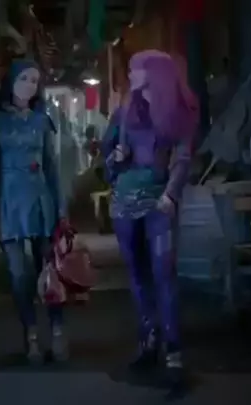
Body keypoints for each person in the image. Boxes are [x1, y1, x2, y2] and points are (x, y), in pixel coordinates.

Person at [101, 50, 199, 386]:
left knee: (164, 272)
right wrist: (116, 159)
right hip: (125, 201)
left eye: (135, 69)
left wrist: (171, 193)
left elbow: (183, 158)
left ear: (154, 74)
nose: (130, 74)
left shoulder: (178, 112)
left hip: (159, 201)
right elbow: (107, 157)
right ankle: (149, 339)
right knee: (138, 274)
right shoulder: (124, 111)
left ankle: (173, 347)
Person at [0, 59, 67, 364]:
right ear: (11, 82)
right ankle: (30, 334)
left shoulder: (42, 120)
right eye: (25, 79)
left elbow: (53, 167)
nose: (30, 85)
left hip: (41, 199)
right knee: (19, 275)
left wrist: (62, 211)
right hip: (9, 200)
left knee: (51, 271)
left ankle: (57, 331)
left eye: (34, 81)